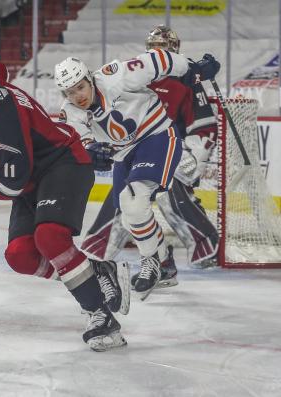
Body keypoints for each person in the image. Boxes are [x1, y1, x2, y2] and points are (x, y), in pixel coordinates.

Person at [0, 56, 130, 352]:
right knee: (20, 256)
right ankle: (95, 272)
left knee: (49, 237)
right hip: (33, 175)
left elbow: (13, 183)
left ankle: (101, 316)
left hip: (63, 163)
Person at [54, 47, 220, 300]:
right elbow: (79, 140)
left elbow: (158, 60)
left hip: (156, 136)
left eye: (80, 87)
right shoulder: (71, 111)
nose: (78, 96)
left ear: (89, 78)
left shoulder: (116, 76)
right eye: (70, 91)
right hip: (125, 154)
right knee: (129, 212)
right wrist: (91, 151)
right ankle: (164, 264)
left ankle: (149, 261)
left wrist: (192, 68)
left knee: (134, 199)